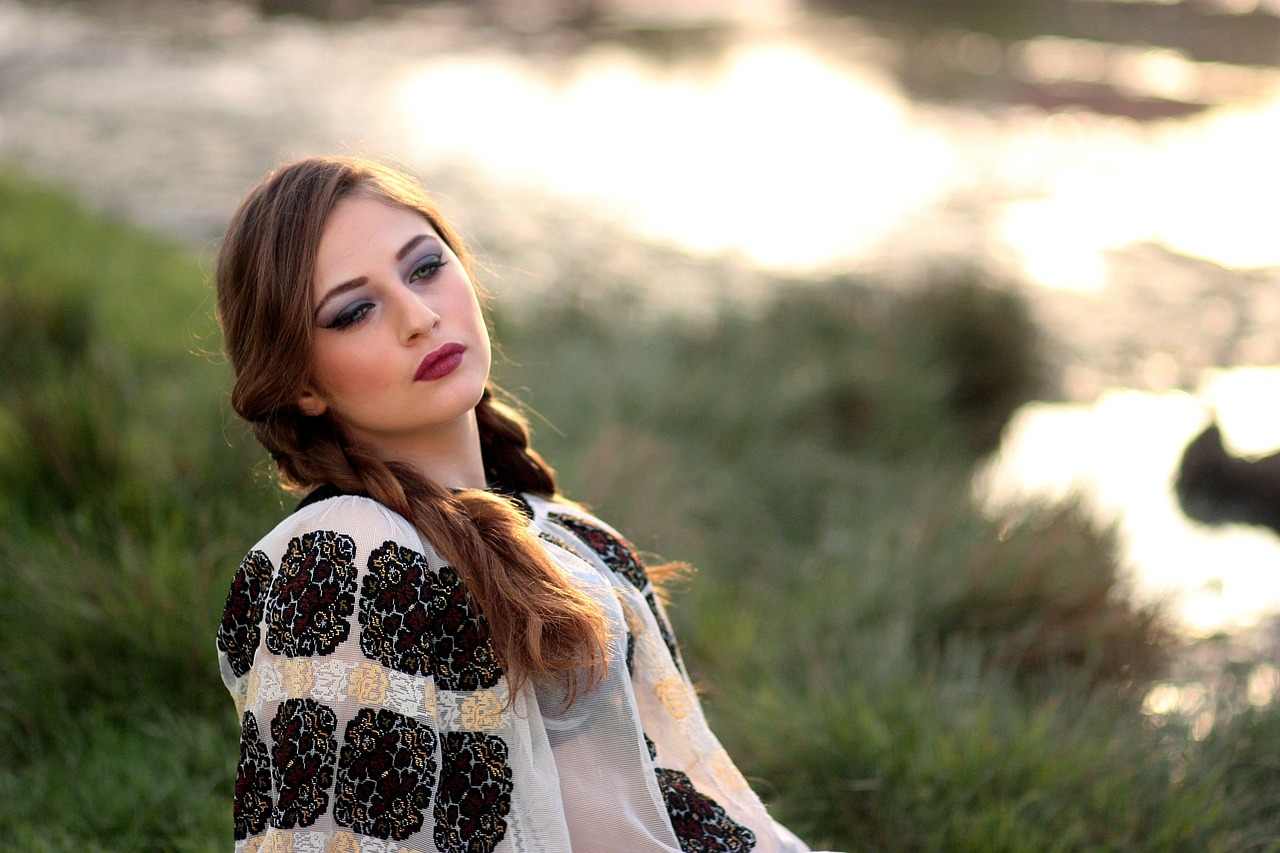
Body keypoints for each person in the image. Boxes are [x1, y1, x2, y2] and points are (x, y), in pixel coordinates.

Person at [214, 156, 820, 852]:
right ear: (302, 384)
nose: (420, 317)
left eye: (425, 268)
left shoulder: (571, 532)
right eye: (354, 312)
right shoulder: (342, 551)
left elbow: (672, 793)